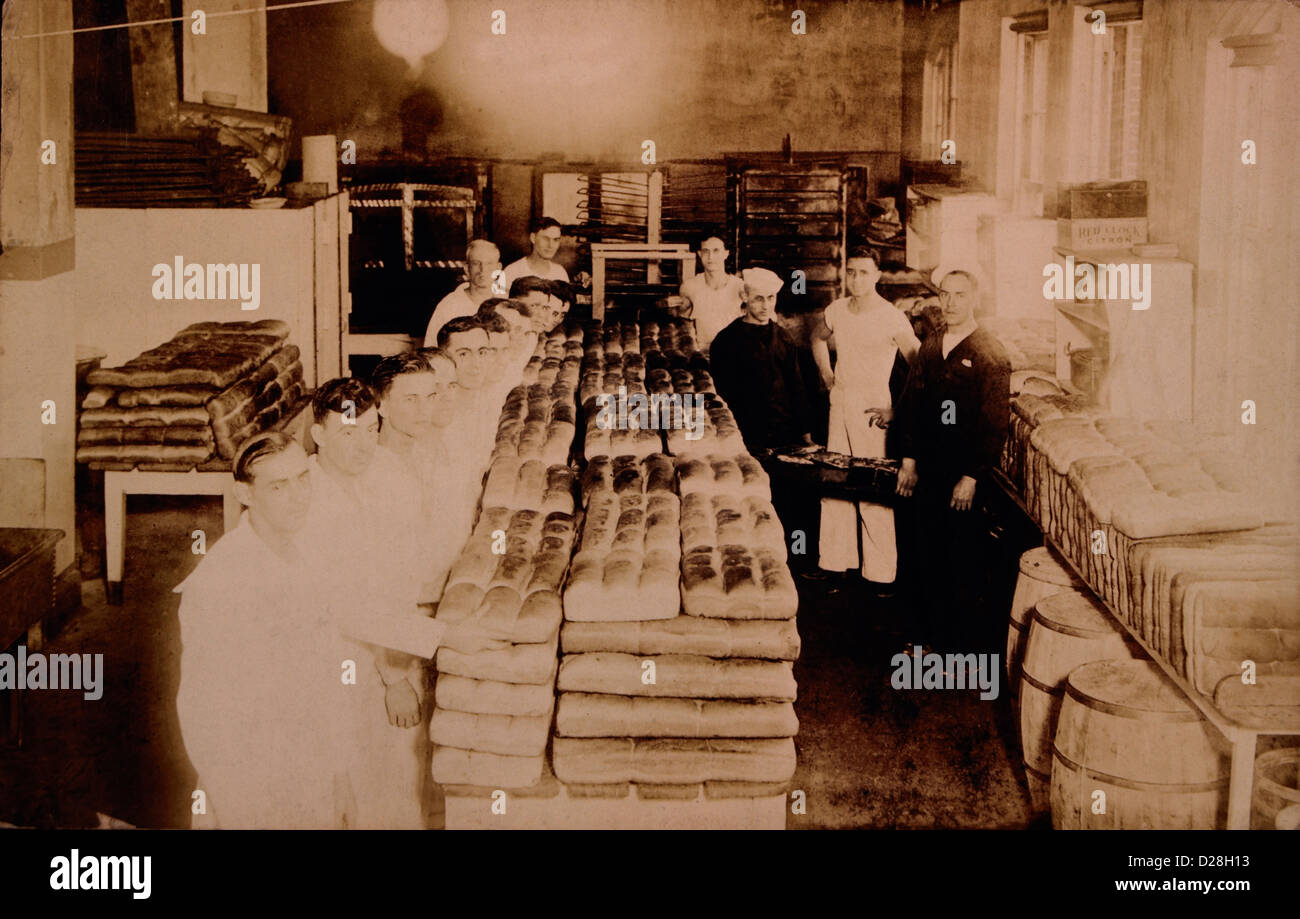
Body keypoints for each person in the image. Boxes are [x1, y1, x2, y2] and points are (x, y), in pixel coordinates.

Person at [300, 379, 503, 828]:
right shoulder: (307, 498)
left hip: (397, 635)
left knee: (392, 783)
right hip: (342, 657)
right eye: (348, 434)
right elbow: (348, 606)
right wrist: (393, 675)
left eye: (371, 431)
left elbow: (402, 568)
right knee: (346, 781)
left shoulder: (384, 471)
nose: (362, 446)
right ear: (319, 436)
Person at [895, 269, 1011, 652]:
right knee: (923, 548)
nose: (951, 302)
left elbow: (994, 424)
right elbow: (911, 403)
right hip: (928, 466)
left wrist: (972, 476)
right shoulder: (932, 342)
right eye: (946, 294)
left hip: (962, 473)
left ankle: (955, 646)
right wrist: (909, 460)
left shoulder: (989, 353)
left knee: (960, 558)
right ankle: (926, 636)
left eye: (960, 295)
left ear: (974, 298)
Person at [811, 247, 921, 590]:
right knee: (835, 481)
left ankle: (880, 573)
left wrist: (897, 410)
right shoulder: (837, 309)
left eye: (864, 272)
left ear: (877, 276)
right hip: (840, 400)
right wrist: (827, 375)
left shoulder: (891, 316)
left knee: (873, 484)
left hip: (873, 406)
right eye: (852, 272)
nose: (856, 279)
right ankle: (834, 564)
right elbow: (816, 337)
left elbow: (920, 365)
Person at [710, 267, 815, 453]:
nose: (766, 305)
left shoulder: (784, 337)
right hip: (743, 435)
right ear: (744, 296)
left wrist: (805, 436)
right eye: (759, 298)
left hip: (783, 433)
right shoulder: (726, 340)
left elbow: (796, 387)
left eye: (771, 298)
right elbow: (719, 395)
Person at [673, 232, 746, 351]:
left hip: (734, 353)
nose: (710, 257)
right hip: (704, 354)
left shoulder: (739, 286)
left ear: (726, 254)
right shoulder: (690, 287)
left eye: (716, 251)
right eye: (706, 251)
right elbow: (682, 324)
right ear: (700, 254)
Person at [423, 239, 502, 347]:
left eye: (489, 263)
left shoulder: (507, 302)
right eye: (476, 263)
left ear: (498, 268)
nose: (482, 269)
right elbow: (431, 349)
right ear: (466, 268)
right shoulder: (449, 305)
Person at [500, 216, 569, 287]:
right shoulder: (512, 271)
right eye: (545, 239)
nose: (550, 245)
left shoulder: (560, 272)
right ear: (533, 238)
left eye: (555, 240)